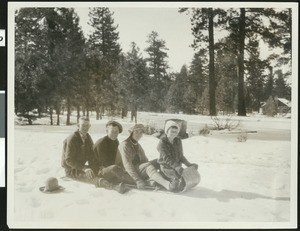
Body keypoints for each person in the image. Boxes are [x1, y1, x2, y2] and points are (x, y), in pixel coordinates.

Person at [61, 117, 128, 194]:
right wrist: (84, 168)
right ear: (78, 125)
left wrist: (95, 167)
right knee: (93, 178)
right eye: (83, 125)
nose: (85, 128)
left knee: (95, 172)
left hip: (81, 167)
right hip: (71, 170)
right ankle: (113, 187)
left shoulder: (87, 137)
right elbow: (68, 160)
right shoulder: (72, 138)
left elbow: (91, 155)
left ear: (89, 126)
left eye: (87, 125)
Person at [118, 124, 177, 192]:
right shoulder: (124, 145)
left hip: (138, 168)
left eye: (141, 132)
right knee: (148, 166)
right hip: (127, 173)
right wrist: (137, 180)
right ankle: (167, 185)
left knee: (158, 161)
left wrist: (152, 165)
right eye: (136, 132)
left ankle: (170, 177)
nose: (139, 134)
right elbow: (127, 165)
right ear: (131, 132)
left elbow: (144, 160)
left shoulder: (137, 145)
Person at [157, 120, 199, 192]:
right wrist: (177, 167)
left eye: (176, 132)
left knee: (184, 181)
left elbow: (181, 156)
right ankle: (162, 179)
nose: (174, 134)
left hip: (177, 167)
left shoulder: (178, 141)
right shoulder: (162, 143)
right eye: (172, 131)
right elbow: (167, 159)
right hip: (166, 166)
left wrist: (189, 164)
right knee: (175, 188)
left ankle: (173, 178)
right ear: (167, 131)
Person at [93, 120, 135, 185]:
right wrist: (121, 168)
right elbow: (105, 163)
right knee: (114, 168)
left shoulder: (115, 141)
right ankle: (135, 182)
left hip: (111, 167)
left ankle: (135, 177)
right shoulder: (101, 143)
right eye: (112, 131)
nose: (115, 134)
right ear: (107, 131)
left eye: (116, 132)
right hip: (99, 171)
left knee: (128, 162)